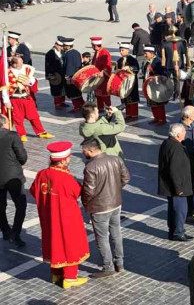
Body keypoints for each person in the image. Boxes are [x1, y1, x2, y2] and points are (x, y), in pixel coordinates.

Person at [29, 141, 90, 288]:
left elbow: (33, 190)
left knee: (53, 241)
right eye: (68, 157)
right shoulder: (65, 177)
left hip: (48, 216)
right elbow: (77, 192)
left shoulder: (42, 174)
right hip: (66, 217)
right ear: (63, 160)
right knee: (69, 243)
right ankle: (70, 277)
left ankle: (56, 274)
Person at [80, 138, 130, 278]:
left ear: (91, 150)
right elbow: (125, 177)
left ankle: (108, 267)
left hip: (99, 207)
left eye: (84, 151)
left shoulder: (90, 167)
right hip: (116, 203)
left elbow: (89, 191)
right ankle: (119, 263)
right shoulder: (116, 159)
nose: (83, 154)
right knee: (116, 233)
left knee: (102, 237)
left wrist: (85, 204)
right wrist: (115, 190)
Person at [158, 124, 194, 241]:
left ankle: (173, 231)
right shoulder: (176, 148)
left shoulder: (167, 143)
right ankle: (179, 232)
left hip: (170, 186)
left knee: (173, 210)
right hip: (178, 187)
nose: (185, 133)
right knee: (180, 211)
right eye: (184, 131)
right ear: (178, 134)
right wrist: (178, 188)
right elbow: (174, 169)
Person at [7, 55, 54, 142]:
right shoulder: (7, 73)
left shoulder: (25, 69)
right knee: (18, 118)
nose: (22, 64)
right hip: (15, 99)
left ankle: (41, 132)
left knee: (34, 116)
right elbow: (4, 88)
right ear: (14, 64)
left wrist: (30, 82)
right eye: (20, 63)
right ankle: (22, 134)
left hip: (26, 97)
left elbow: (33, 79)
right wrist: (6, 101)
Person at [0, 114, 27, 247]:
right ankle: (15, 233)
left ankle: (5, 230)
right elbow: (22, 157)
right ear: (4, 123)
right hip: (13, 176)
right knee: (20, 205)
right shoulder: (12, 136)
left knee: (0, 206)